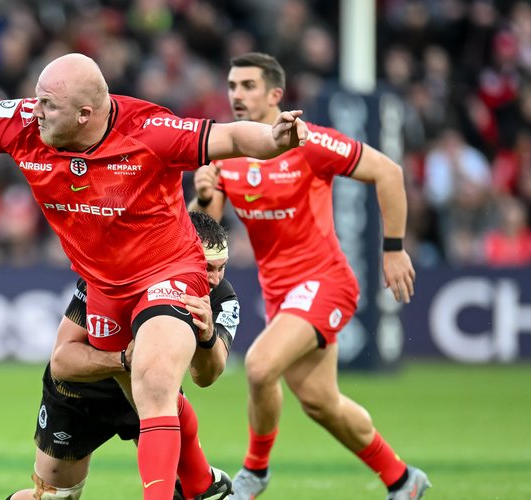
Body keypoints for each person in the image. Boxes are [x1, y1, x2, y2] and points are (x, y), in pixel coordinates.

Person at [0, 52, 307, 500]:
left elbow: (232, 137)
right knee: (60, 489)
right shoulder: (20, 123)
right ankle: (204, 486)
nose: (35, 111)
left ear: (85, 115)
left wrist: (274, 140)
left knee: (155, 382)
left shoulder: (149, 130)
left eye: (48, 105)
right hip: (103, 290)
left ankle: (189, 489)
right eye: (36, 98)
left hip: (168, 272)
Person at [189, 52, 430, 500]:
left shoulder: (308, 142)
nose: (237, 94)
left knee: (259, 366)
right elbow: (205, 235)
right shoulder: (227, 153)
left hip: (325, 281)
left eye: (248, 86)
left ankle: (254, 472)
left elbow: (388, 172)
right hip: (280, 293)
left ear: (275, 95)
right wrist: (203, 197)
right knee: (321, 402)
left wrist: (394, 249)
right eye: (232, 85)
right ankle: (402, 479)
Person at [0, 211, 240, 500]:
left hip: (148, 390)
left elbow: (207, 376)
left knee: (182, 491)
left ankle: (201, 481)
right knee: (55, 497)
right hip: (81, 394)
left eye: (221, 267)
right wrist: (123, 359)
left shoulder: (222, 298)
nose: (214, 279)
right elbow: (62, 361)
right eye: (207, 267)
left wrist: (208, 336)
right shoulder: (117, 273)